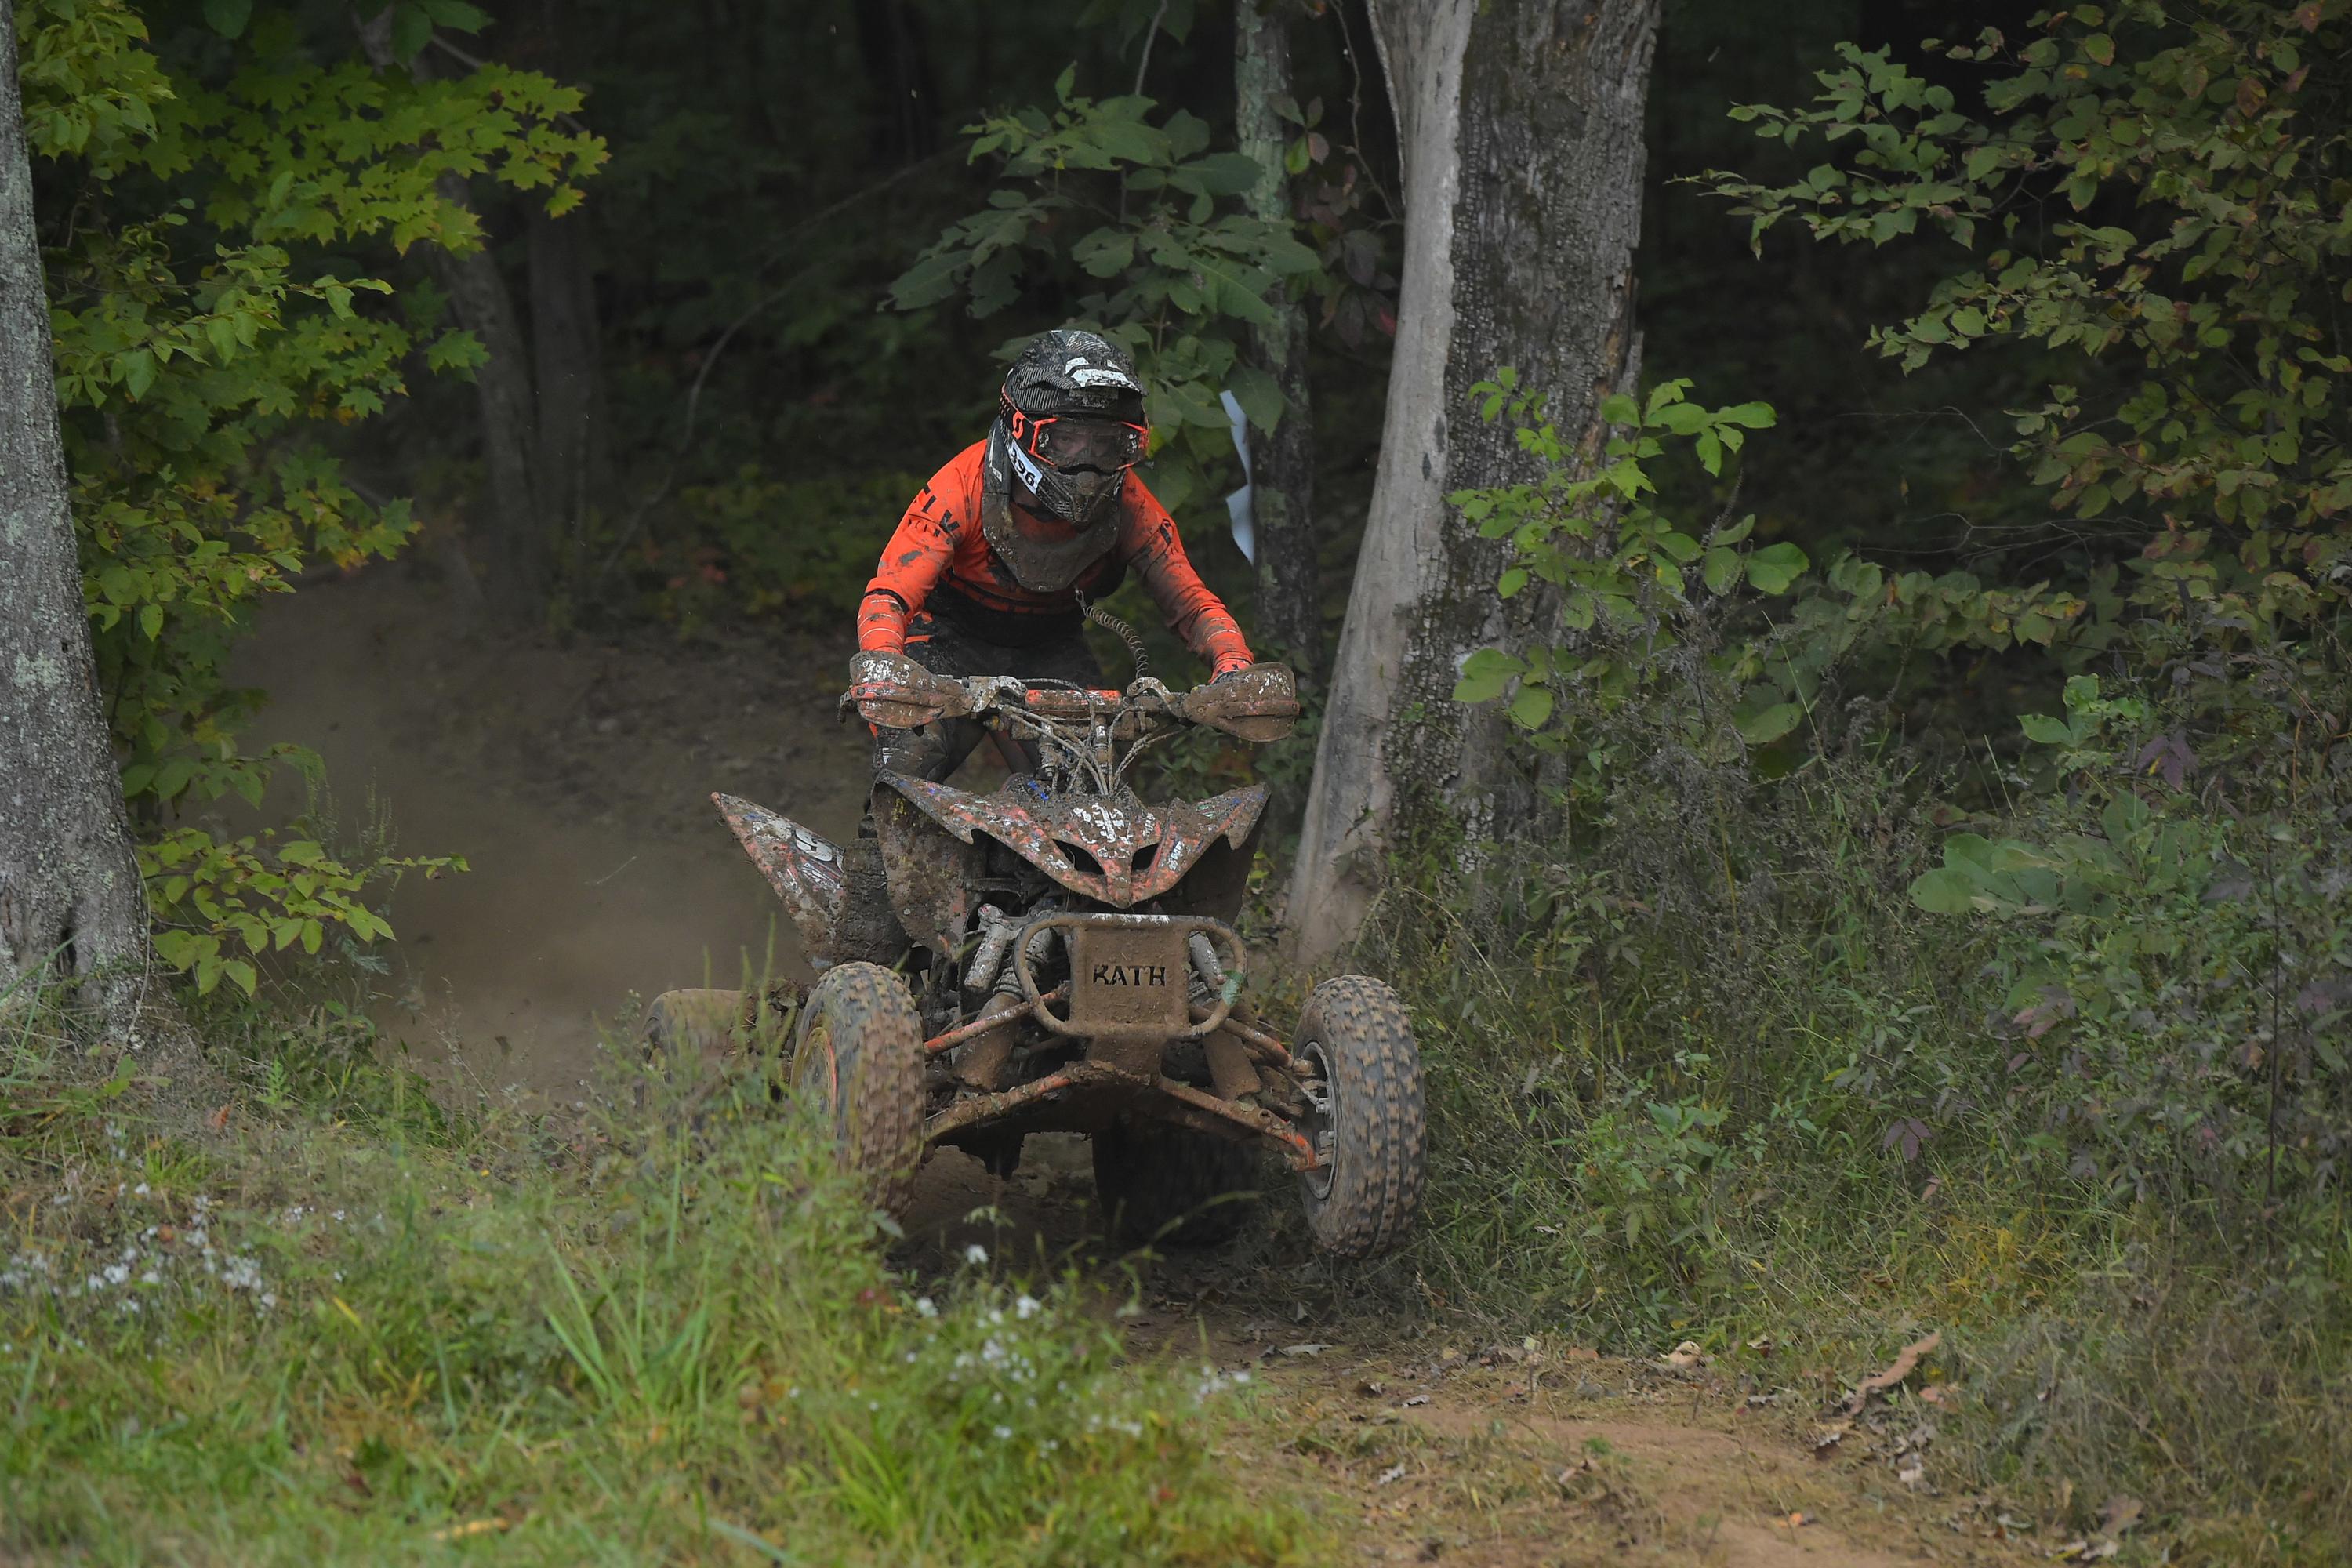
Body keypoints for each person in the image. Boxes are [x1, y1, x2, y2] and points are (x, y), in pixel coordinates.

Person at [849, 328, 1256, 782]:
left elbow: (1192, 602)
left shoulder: (1130, 505)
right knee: (908, 756)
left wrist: (1233, 667)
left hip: (1049, 647)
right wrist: (885, 662)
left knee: (1090, 781)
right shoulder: (961, 487)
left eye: (1107, 445)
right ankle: (888, 826)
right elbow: (891, 594)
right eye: (1065, 441)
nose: (1088, 466)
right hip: (945, 636)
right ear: (1021, 430)